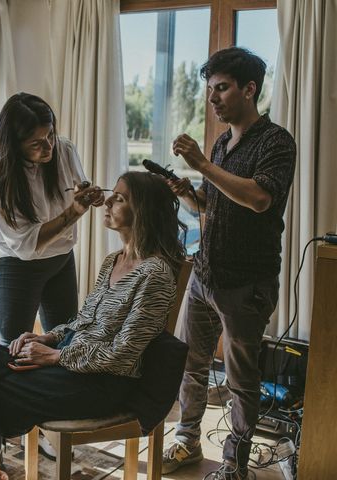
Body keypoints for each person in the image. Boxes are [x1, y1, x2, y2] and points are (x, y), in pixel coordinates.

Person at [0, 172, 187, 480]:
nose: (107, 201)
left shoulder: (155, 274)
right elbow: (83, 322)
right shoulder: (113, 260)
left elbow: (123, 356)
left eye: (119, 198)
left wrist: (54, 356)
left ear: (144, 212)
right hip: (67, 361)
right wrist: (46, 337)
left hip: (101, 383)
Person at [161, 47, 296, 480]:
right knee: (190, 363)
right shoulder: (222, 142)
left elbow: (258, 198)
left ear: (249, 89)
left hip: (246, 284)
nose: (213, 98)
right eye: (210, 89)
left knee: (241, 380)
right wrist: (188, 191)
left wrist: (201, 163)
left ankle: (235, 464)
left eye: (221, 88)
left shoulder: (277, 141)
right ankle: (187, 439)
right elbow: (215, 202)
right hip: (204, 275)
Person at [0, 92, 104, 346]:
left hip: (61, 259)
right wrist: (73, 211)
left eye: (49, 135)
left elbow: (79, 186)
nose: (49, 147)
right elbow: (27, 244)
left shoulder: (64, 149)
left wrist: (89, 195)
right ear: (14, 145)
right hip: (17, 264)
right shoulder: (1, 179)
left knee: (65, 339)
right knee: (14, 346)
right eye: (36, 143)